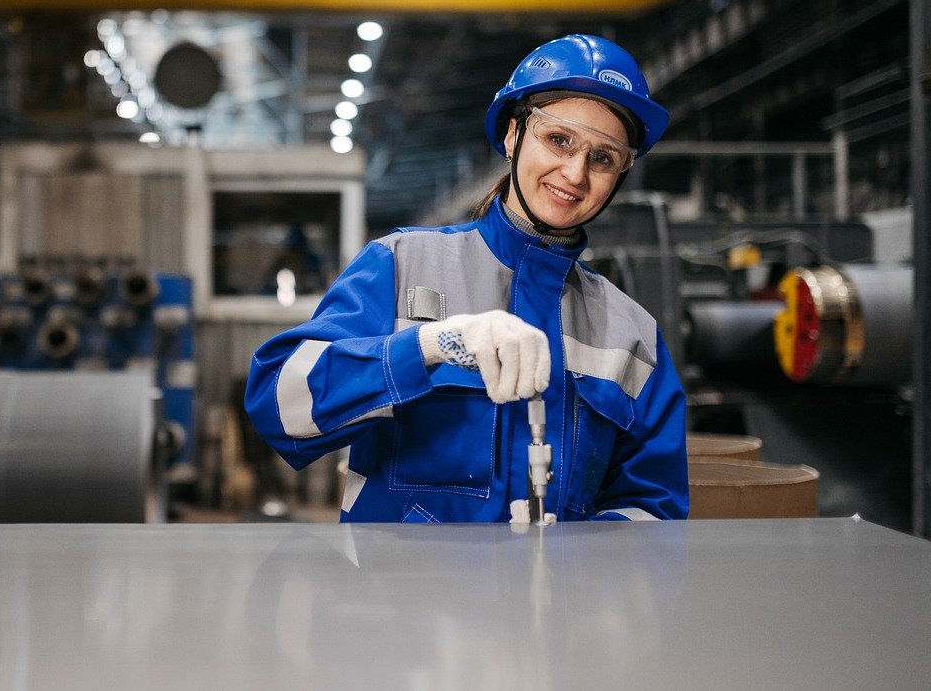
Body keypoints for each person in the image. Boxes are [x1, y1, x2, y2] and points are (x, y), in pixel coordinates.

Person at [244, 34, 688, 523]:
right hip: (395, 594)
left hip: (557, 598)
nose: (576, 173)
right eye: (558, 140)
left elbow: (654, 511)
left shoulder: (634, 336)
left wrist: (578, 571)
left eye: (602, 158)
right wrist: (429, 346)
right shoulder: (401, 264)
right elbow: (277, 406)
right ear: (515, 135)